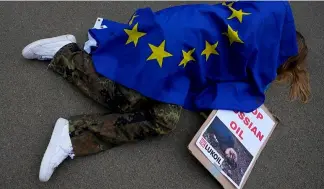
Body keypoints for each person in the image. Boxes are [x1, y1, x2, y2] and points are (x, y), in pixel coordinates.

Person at [21, 1, 309, 182]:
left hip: (174, 50)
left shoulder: (253, 27)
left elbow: (216, 76)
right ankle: (67, 67)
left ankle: (67, 78)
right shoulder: (247, 38)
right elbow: (215, 81)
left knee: (159, 115)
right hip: (166, 51)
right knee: (150, 110)